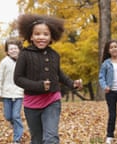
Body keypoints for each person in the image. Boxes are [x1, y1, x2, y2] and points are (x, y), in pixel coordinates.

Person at [14, 14, 82, 144]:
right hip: (31, 104)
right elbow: (18, 79)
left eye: (46, 34)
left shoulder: (54, 55)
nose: (41, 37)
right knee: (37, 140)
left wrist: (72, 84)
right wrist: (38, 85)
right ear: (31, 36)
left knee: (51, 138)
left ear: (51, 37)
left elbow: (59, 74)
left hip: (52, 101)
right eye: (37, 34)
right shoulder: (25, 54)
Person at [0, 38, 24, 144]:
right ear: (7, 51)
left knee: (16, 115)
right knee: (8, 116)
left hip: (19, 93)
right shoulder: (4, 62)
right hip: (6, 94)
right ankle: (14, 123)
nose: (13, 51)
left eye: (15, 48)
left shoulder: (23, 61)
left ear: (19, 49)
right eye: (11, 49)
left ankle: (17, 138)